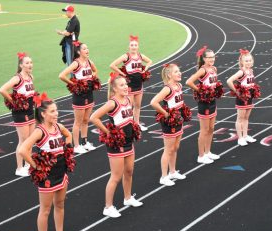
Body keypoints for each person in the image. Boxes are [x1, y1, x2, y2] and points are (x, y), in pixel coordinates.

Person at [18, 93, 76, 231]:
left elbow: (68, 134)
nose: (56, 113)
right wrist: (36, 166)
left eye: (56, 110)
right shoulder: (39, 131)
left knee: (60, 204)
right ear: (43, 114)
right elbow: (23, 150)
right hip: (47, 176)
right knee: (45, 210)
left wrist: (68, 149)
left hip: (61, 170)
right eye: (52, 111)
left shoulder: (58, 127)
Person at [90, 73, 143, 218]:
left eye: (126, 84)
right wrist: (108, 132)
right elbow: (93, 117)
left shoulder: (128, 99)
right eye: (121, 85)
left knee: (129, 171)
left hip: (128, 142)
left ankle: (128, 198)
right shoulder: (112, 103)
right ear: (114, 89)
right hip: (117, 144)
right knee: (116, 176)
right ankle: (108, 207)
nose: (125, 87)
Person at [0, 52, 36, 177]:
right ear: (21, 65)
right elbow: (2, 90)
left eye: (31, 62)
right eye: (27, 63)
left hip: (30, 111)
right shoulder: (17, 78)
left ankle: (27, 165)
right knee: (23, 140)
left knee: (30, 140)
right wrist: (13, 101)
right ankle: (19, 168)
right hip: (20, 113)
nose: (30, 65)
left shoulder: (31, 77)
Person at [150, 63, 187, 187]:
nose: (179, 73)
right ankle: (163, 176)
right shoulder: (167, 88)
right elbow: (153, 102)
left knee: (175, 147)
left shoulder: (179, 85)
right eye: (176, 72)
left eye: (179, 71)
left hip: (178, 119)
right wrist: (166, 114)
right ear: (169, 74)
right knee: (168, 149)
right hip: (170, 122)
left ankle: (172, 171)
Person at [59, 41, 98, 154]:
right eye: (85, 49)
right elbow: (62, 75)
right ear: (78, 51)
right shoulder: (76, 63)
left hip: (89, 93)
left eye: (87, 48)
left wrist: (92, 78)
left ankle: (84, 142)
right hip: (79, 95)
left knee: (86, 120)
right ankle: (76, 146)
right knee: (78, 121)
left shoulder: (89, 62)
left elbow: (95, 71)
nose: (87, 50)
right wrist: (74, 84)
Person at [185, 46, 221, 164]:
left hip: (212, 101)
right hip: (204, 103)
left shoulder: (214, 69)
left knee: (211, 128)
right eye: (209, 57)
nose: (212, 59)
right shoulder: (202, 70)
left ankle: (208, 152)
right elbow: (188, 82)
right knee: (204, 130)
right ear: (204, 59)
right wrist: (199, 90)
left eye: (213, 57)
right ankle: (201, 156)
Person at [110, 35, 153, 131]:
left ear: (138, 47)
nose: (134, 47)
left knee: (137, 106)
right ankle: (130, 125)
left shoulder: (140, 56)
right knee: (129, 107)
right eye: (132, 45)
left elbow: (150, 61)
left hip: (139, 84)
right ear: (129, 47)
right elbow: (112, 65)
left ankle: (137, 124)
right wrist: (122, 73)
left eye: (135, 45)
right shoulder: (126, 56)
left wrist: (145, 69)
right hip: (129, 85)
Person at [226, 49, 259, 146]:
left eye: (250, 60)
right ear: (242, 62)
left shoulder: (251, 71)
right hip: (242, 98)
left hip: (250, 96)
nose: (248, 62)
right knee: (240, 118)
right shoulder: (241, 72)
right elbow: (229, 81)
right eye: (246, 61)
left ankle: (245, 135)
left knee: (246, 118)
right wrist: (237, 91)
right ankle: (240, 138)